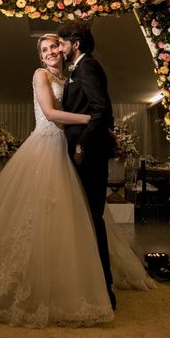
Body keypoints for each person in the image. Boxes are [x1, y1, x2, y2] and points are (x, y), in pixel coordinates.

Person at [0, 34, 153, 328]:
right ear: (41, 57)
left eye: (54, 46)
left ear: (64, 49)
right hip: (45, 147)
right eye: (44, 49)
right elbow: (52, 114)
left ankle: (69, 281)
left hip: (66, 150)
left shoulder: (71, 77)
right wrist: (95, 121)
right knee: (35, 216)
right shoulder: (40, 74)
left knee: (71, 217)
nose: (51, 51)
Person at [57, 22, 117, 310]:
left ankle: (104, 291)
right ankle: (90, 284)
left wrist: (82, 145)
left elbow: (101, 109)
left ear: (75, 44)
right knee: (85, 219)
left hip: (88, 155)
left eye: (62, 43)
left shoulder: (87, 67)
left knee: (92, 220)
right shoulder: (80, 69)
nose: (60, 49)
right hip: (84, 151)